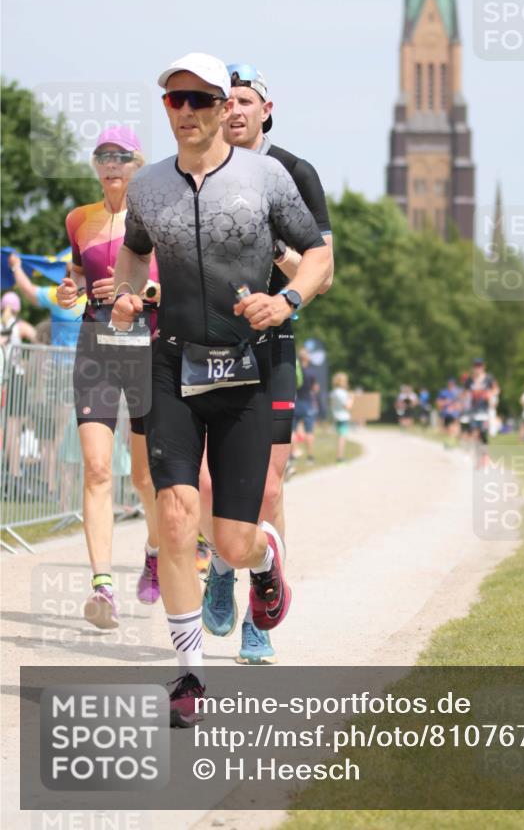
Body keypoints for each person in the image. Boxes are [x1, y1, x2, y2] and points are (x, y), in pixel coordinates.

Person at [110, 53, 330, 725]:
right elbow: (136, 250)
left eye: (201, 100)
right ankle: (188, 673)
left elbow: (320, 255)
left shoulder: (268, 178)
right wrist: (124, 293)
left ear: (219, 107)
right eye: (174, 101)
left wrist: (286, 300)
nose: (189, 112)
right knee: (176, 515)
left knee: (232, 541)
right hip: (174, 364)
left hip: (246, 367)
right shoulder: (148, 188)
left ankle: (263, 564)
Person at [199, 63, 333, 666]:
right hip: (203, 349)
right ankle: (222, 565)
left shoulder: (293, 173)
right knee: (205, 482)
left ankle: (260, 616)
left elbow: (320, 268)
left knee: (269, 487)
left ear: (265, 109)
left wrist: (271, 262)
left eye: (244, 99)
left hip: (270, 346)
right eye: (225, 100)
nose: (233, 108)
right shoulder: (196, 170)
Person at [56, 127, 161, 627]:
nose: (112, 164)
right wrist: (70, 290)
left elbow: (174, 279)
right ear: (96, 167)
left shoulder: (157, 215)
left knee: (144, 478)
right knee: (98, 468)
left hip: (146, 348)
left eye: (121, 156)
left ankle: (156, 552)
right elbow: (76, 274)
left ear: (137, 164)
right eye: (103, 156)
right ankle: (102, 587)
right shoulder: (79, 218)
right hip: (95, 346)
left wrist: (142, 290)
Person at [8, 254, 85, 347]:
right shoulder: (96, 297)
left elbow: (28, 289)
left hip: (58, 359)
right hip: (85, 359)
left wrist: (16, 266)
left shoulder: (58, 296)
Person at [1, 291, 37, 489]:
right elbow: (39, 338)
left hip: (3, 378)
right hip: (15, 378)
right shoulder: (19, 326)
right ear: (17, 308)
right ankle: (15, 472)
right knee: (14, 429)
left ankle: (11, 470)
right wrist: (28, 361)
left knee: (8, 428)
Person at [462, 359, 499, 468]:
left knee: (483, 434)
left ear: (483, 367)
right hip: (473, 411)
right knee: (474, 434)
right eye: (475, 366)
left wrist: (490, 394)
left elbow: (496, 389)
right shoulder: (470, 380)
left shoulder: (489, 379)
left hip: (485, 411)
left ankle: (485, 456)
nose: (477, 368)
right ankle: (478, 457)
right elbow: (464, 393)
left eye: (479, 366)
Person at [293, 347, 320, 464]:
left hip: (295, 403)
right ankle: (310, 457)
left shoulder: (295, 370)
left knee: (292, 430)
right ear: (307, 358)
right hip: (308, 403)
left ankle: (294, 453)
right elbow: (315, 388)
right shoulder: (311, 372)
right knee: (309, 431)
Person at [330, 372, 353, 462]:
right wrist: (351, 398)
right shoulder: (341, 393)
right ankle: (340, 457)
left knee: (340, 437)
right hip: (343, 417)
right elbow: (348, 406)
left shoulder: (333, 392)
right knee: (342, 438)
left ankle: (340, 456)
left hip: (336, 416)